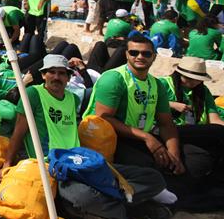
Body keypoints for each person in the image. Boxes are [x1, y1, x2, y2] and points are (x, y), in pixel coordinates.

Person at [0, 55, 169, 219]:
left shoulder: (73, 99)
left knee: (154, 178)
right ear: (43, 75)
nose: (56, 77)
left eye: (62, 73)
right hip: (53, 167)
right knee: (83, 197)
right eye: (51, 72)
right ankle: (125, 206)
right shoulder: (33, 94)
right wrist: (7, 165)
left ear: (68, 77)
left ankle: (114, 205)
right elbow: (19, 132)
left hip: (81, 159)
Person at [83, 35, 219, 208]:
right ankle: (159, 193)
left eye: (146, 54)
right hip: (110, 138)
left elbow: (166, 123)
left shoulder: (155, 84)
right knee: (150, 167)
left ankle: (165, 189)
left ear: (154, 56)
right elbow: (105, 118)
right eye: (134, 52)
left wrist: (174, 153)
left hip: (139, 138)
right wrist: (148, 138)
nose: (140, 57)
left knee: (194, 160)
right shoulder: (114, 79)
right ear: (126, 55)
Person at [161, 56, 224, 127]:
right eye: (189, 78)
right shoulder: (163, 84)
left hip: (195, 130)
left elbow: (214, 119)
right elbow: (148, 102)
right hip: (169, 129)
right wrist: (172, 104)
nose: (194, 82)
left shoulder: (203, 90)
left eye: (198, 79)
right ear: (179, 74)